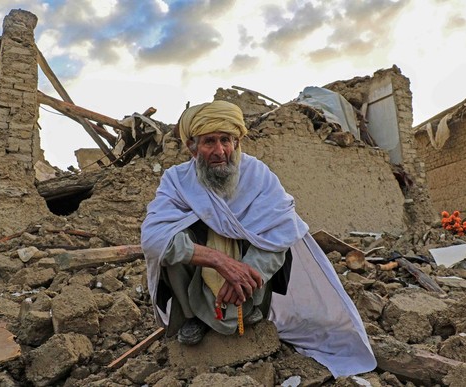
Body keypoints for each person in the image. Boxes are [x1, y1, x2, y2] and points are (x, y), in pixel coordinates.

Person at [141, 100, 376, 377]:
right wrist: (219, 262)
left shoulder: (258, 175)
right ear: (192, 147)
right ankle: (194, 318)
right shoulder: (176, 180)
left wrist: (246, 274)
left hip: (249, 280)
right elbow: (153, 238)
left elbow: (283, 230)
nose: (220, 151)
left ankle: (254, 306)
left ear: (238, 141)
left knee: (273, 231)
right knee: (172, 238)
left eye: (226, 140)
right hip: (198, 278)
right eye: (209, 142)